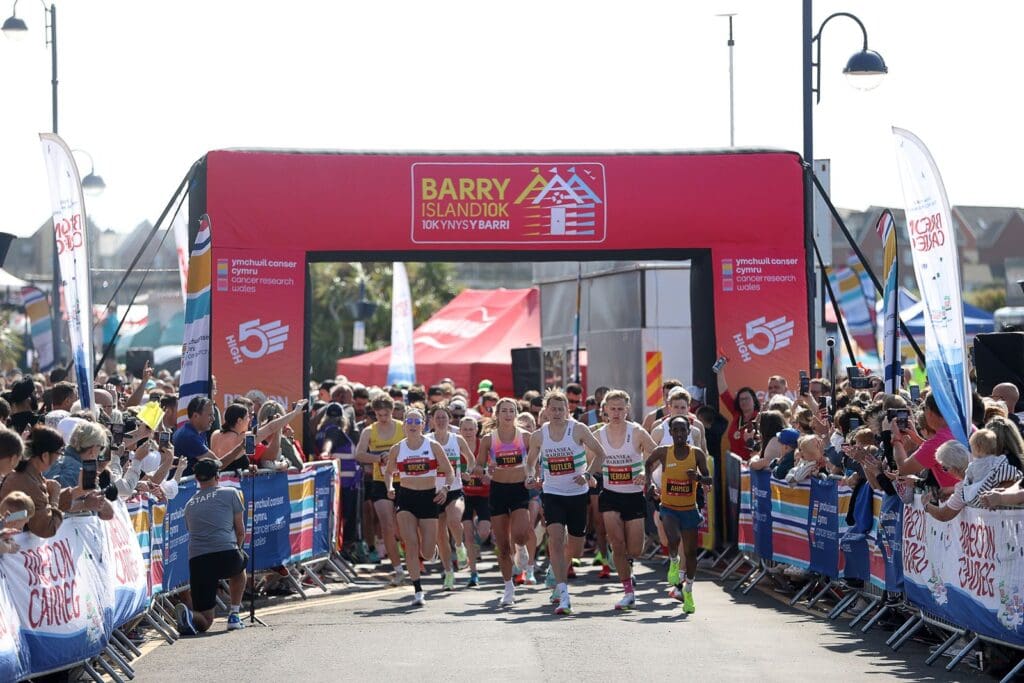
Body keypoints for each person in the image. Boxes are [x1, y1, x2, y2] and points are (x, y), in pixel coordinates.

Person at [526, 390, 607, 615]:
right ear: (546, 411)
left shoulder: (578, 429)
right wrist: (531, 476)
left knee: (577, 549)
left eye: (561, 409)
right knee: (555, 537)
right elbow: (530, 462)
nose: (557, 413)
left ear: (567, 411)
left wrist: (589, 475)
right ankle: (563, 593)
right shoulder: (539, 435)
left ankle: (556, 569)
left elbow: (601, 455)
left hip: (577, 494)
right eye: (553, 409)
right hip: (552, 493)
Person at [384, 408, 455, 607]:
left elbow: (449, 472)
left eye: (417, 422)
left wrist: (445, 490)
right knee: (411, 544)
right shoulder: (397, 448)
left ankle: (432, 551)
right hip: (406, 498)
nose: (413, 425)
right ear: (404, 424)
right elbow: (389, 472)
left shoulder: (433, 446)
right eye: (410, 421)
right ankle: (417, 591)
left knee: (427, 552)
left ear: (423, 425)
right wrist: (389, 487)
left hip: (429, 498)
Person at [596, 390, 657, 610]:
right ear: (605, 410)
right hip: (610, 495)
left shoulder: (637, 432)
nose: (616, 413)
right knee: (617, 543)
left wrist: (646, 474)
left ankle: (627, 562)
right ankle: (628, 591)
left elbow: (656, 454)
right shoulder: (598, 435)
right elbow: (584, 457)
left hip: (633, 496)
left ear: (627, 409)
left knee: (636, 549)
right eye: (612, 408)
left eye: (620, 408)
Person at [645, 416, 712, 614]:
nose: (680, 434)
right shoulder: (664, 452)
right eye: (676, 430)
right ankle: (674, 562)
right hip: (669, 506)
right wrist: (648, 484)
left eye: (683, 430)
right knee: (673, 538)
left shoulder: (697, 454)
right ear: (671, 432)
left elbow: (709, 480)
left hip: (689, 509)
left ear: (689, 432)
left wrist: (698, 478)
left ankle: (688, 590)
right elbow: (648, 464)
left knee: (691, 553)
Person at [175, 458, 248, 634]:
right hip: (226, 553)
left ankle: (190, 616)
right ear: (218, 476)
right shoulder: (231, 492)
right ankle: (234, 615)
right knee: (241, 567)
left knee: (206, 621)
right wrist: (236, 549)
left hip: (198, 560)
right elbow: (240, 531)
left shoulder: (189, 505)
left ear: (197, 480)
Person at [479, 397, 533, 607]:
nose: (508, 415)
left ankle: (521, 547)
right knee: (502, 546)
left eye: (512, 411)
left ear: (516, 414)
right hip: (498, 491)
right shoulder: (488, 439)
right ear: (497, 414)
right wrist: (484, 471)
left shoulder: (526, 437)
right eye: (504, 411)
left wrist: (534, 474)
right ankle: (508, 587)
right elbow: (478, 465)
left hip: (520, 489)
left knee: (520, 533)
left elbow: (537, 460)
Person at [355, 394, 406, 584]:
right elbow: (359, 454)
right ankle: (398, 568)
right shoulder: (369, 431)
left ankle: (413, 557)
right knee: (386, 525)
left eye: (386, 414)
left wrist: (394, 456)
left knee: (403, 527)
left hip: (404, 481)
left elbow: (416, 448)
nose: (382, 418)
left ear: (392, 412)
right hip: (380, 481)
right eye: (379, 415)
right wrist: (378, 458)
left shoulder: (403, 428)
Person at [428, 404, 475, 591]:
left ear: (449, 420)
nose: (440, 421)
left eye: (444, 417)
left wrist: (467, 472)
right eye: (437, 417)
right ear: (432, 420)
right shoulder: (427, 440)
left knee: (455, 520)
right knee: (440, 535)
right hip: (433, 491)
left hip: (454, 489)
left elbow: (470, 459)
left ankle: (459, 545)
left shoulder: (457, 439)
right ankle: (448, 572)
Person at [173, 397, 248, 476]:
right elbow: (218, 465)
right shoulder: (190, 437)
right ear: (195, 416)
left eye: (213, 414)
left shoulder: (192, 431)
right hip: (185, 486)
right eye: (210, 415)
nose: (213, 418)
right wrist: (240, 447)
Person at [459, 416, 489, 587]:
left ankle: (474, 548)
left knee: (484, 532)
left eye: (471, 429)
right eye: (465, 429)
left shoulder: (482, 446)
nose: (468, 433)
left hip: (484, 495)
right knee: (468, 535)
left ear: (476, 430)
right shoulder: (456, 446)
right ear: (460, 430)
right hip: (465, 495)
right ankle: (473, 573)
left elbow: (492, 469)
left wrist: (486, 475)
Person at [714, 362, 761, 461]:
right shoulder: (737, 414)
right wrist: (720, 371)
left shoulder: (760, 418)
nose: (744, 402)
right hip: (734, 465)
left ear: (754, 401)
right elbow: (724, 393)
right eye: (741, 399)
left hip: (752, 465)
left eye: (747, 399)